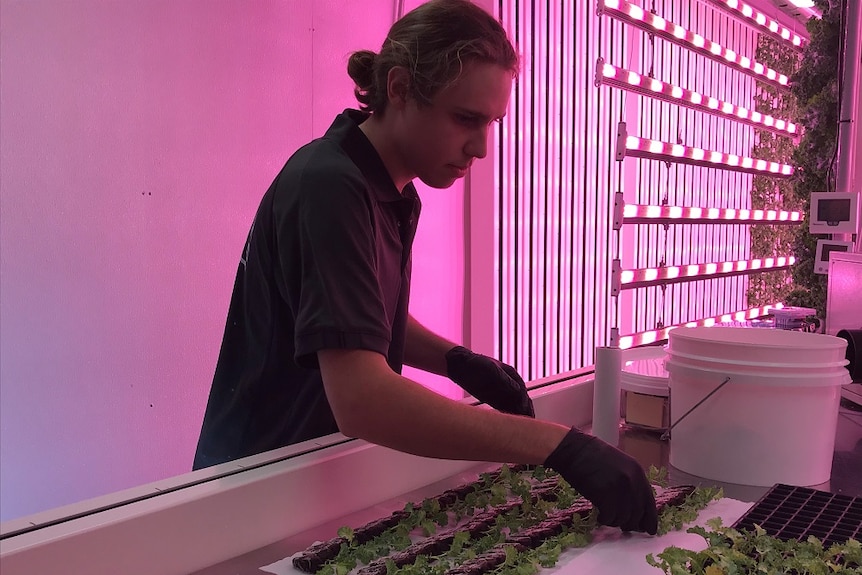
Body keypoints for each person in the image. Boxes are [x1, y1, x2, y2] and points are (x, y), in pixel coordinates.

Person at [193, 0, 658, 534]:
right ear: (398, 89)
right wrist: (557, 446)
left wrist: (455, 360)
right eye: (465, 119)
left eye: (491, 123)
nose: (481, 147)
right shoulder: (328, 185)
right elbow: (363, 399)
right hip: (252, 493)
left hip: (309, 483)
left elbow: (354, 318)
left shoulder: (391, 190)